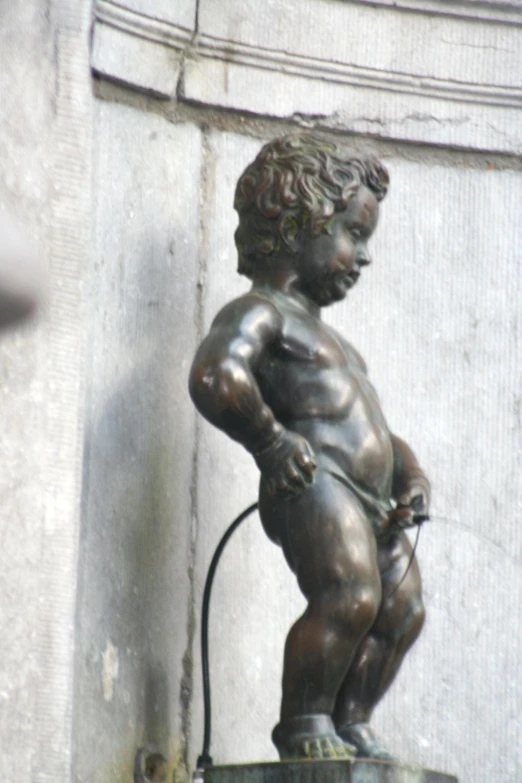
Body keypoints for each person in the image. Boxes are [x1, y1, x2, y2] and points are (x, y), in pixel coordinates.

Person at [189, 134, 430, 761]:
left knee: (402, 610)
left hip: (373, 501)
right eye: (355, 232)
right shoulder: (259, 312)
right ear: (303, 223)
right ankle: (303, 721)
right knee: (349, 596)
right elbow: (216, 375)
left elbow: (377, 428)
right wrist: (270, 442)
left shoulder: (342, 347)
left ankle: (351, 720)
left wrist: (411, 476)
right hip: (311, 480)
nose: (364, 256)